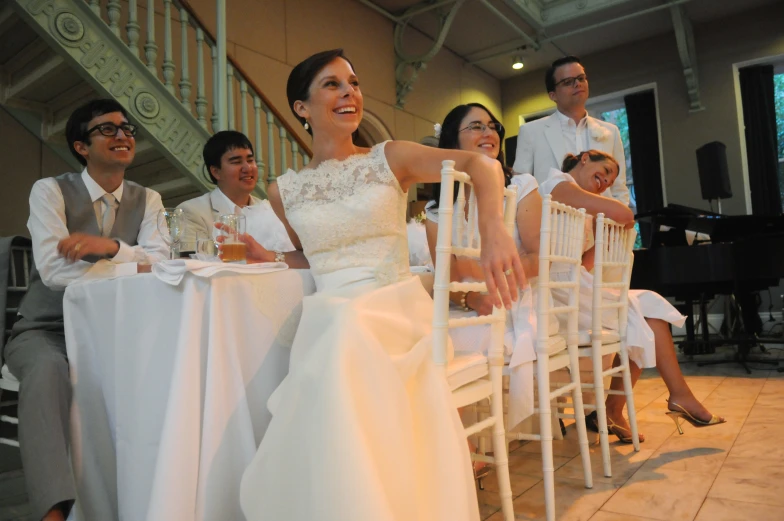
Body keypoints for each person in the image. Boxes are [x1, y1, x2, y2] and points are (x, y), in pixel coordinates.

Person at [238, 49, 524, 521]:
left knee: (343, 337)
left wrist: (493, 227)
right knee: (338, 334)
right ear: (301, 107)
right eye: (332, 85)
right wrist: (267, 257)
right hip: (331, 315)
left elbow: (482, 166)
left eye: (352, 82)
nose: (350, 92)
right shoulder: (282, 191)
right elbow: (313, 255)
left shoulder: (388, 159)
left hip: (391, 307)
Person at [1, 99, 168, 521]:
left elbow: (163, 264)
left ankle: (152, 497)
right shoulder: (50, 191)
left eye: (128, 129)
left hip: (120, 331)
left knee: (166, 367)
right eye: (108, 129)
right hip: (46, 329)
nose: (124, 135)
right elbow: (55, 270)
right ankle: (54, 511)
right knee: (47, 372)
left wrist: (108, 247)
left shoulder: (148, 199)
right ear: (81, 146)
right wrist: (132, 261)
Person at [540, 150, 725, 442]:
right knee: (642, 313)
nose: (604, 182)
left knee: (647, 309)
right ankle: (640, 403)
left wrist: (601, 242)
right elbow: (625, 215)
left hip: (574, 286)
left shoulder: (583, 206)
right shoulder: (556, 183)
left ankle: (647, 402)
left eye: (609, 181)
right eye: (603, 172)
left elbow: (581, 263)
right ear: (585, 158)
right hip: (552, 293)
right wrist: (614, 216)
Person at [423, 103, 546, 435]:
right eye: (476, 126)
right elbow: (447, 278)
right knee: (419, 341)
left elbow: (536, 257)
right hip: (471, 305)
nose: (488, 132)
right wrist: (470, 299)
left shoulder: (521, 185)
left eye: (492, 126)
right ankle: (457, 447)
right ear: (452, 141)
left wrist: (483, 276)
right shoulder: (437, 210)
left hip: (517, 297)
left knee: (444, 346)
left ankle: (465, 446)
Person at [513, 56, 630, 207]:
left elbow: (619, 189)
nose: (577, 84)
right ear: (553, 95)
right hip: (551, 222)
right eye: (568, 82)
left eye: (581, 78)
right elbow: (520, 187)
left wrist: (616, 224)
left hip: (601, 224)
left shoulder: (611, 132)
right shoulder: (531, 131)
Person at [177, 131, 298, 261]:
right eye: (236, 162)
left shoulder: (269, 209)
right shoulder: (192, 212)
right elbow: (190, 264)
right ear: (216, 172)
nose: (247, 168)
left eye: (250, 160)